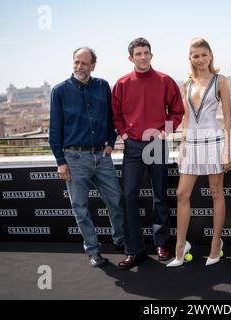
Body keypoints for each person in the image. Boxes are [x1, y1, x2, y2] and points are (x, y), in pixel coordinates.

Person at [49, 47, 126, 268]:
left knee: (116, 201)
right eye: (76, 62)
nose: (79, 66)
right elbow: (55, 129)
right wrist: (60, 162)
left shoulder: (103, 86)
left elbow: (112, 118)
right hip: (74, 158)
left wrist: (111, 143)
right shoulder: (60, 90)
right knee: (81, 208)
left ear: (93, 65)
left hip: (101, 157)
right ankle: (93, 251)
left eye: (84, 63)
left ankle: (120, 240)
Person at [112, 38, 184, 270]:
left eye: (146, 53)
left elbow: (177, 111)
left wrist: (165, 133)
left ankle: (162, 243)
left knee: (160, 195)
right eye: (138, 53)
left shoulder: (165, 80)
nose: (143, 57)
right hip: (132, 145)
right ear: (130, 58)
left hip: (156, 143)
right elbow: (116, 115)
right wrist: (123, 134)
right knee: (129, 196)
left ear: (151, 55)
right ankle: (134, 249)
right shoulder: (122, 84)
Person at [166, 38, 231, 268]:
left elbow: (228, 121)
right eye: (196, 56)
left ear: (211, 56)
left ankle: (216, 245)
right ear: (190, 59)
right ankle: (180, 247)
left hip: (214, 142)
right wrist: (182, 146)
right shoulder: (186, 83)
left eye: (204, 54)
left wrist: (226, 152)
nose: (201, 59)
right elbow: (186, 119)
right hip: (191, 144)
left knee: (216, 193)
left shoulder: (221, 81)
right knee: (182, 195)